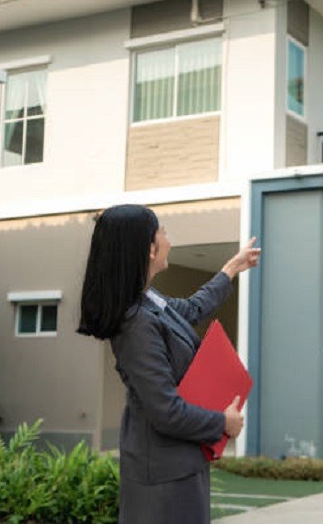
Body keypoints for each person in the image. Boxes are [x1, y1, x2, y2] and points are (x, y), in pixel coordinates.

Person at [77, 204, 261, 524]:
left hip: (181, 463)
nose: (169, 240)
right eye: (163, 232)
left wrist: (231, 267)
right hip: (163, 476)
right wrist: (222, 423)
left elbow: (190, 309)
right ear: (148, 249)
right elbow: (165, 410)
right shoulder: (135, 324)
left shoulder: (148, 301)